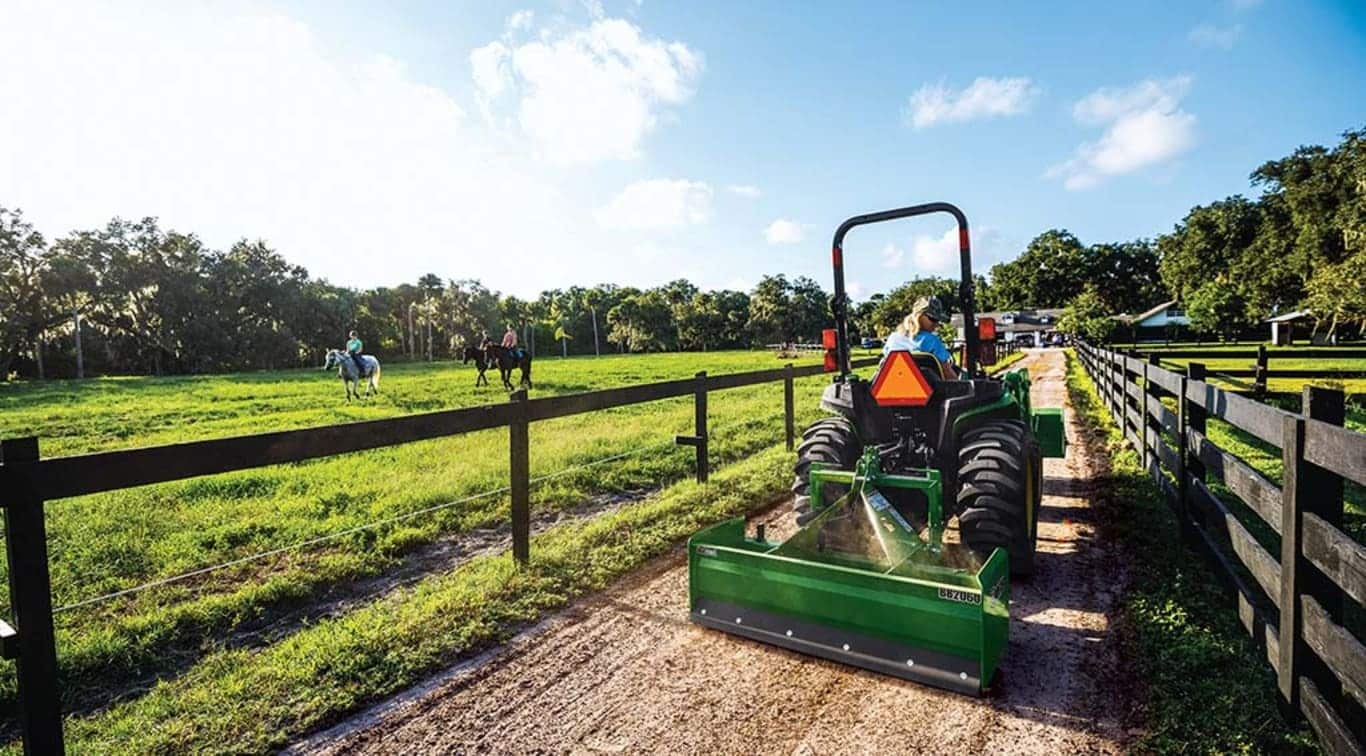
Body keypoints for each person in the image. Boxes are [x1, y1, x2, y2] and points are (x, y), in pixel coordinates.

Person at [883, 296, 959, 379]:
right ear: (919, 316)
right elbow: (948, 374)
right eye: (933, 319)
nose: (937, 324)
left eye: (938, 320)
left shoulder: (893, 338)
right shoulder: (932, 341)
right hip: (928, 386)